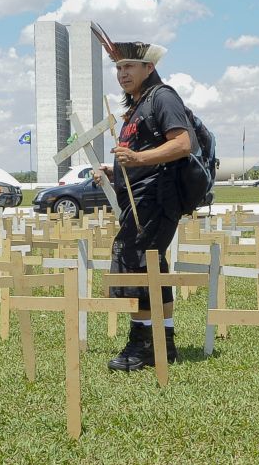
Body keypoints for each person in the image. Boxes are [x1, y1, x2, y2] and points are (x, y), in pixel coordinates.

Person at [91, 24, 195, 371]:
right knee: (152, 269)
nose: (122, 74)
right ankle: (164, 342)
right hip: (141, 198)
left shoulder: (162, 96)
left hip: (157, 200)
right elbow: (138, 154)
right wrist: (114, 170)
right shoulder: (136, 106)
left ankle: (141, 346)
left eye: (129, 67)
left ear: (148, 68)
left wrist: (137, 160)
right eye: (119, 68)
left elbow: (182, 144)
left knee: (135, 268)